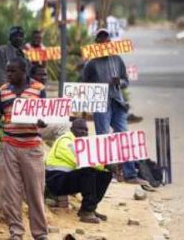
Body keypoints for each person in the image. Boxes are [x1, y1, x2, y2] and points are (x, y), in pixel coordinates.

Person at [0, 57, 48, 240]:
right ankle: (16, 233)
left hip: (32, 147)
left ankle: (40, 234)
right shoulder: (3, 90)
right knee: (10, 192)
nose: (8, 74)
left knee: (35, 192)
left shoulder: (38, 89)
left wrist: (41, 121)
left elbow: (45, 117)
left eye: (12, 71)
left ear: (23, 72)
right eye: (7, 71)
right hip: (10, 146)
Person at [82, 29, 146, 185]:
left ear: (110, 42)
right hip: (101, 103)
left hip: (117, 102)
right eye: (101, 40)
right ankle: (106, 175)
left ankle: (130, 175)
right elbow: (85, 83)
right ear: (96, 43)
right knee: (103, 137)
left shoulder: (117, 59)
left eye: (106, 40)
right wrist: (96, 90)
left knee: (124, 135)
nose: (104, 43)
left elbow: (126, 80)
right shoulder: (91, 63)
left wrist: (120, 82)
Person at [45, 118, 112, 223]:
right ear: (72, 129)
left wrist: (106, 167)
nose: (84, 132)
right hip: (55, 182)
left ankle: (90, 208)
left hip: (67, 180)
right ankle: (86, 212)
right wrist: (104, 164)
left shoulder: (82, 143)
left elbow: (94, 160)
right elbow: (81, 159)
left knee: (105, 174)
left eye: (86, 130)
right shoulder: (65, 141)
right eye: (80, 129)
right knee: (88, 170)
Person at [30, 64, 69, 142]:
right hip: (31, 127)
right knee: (63, 126)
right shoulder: (36, 88)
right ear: (32, 76)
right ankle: (62, 151)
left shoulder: (39, 88)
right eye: (40, 75)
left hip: (36, 124)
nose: (43, 77)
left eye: (45, 75)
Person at [0, 26, 27, 100]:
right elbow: (0, 74)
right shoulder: (2, 50)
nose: (18, 38)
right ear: (10, 37)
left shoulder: (23, 54)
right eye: (15, 36)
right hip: (5, 94)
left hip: (21, 95)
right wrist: (8, 92)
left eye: (21, 36)